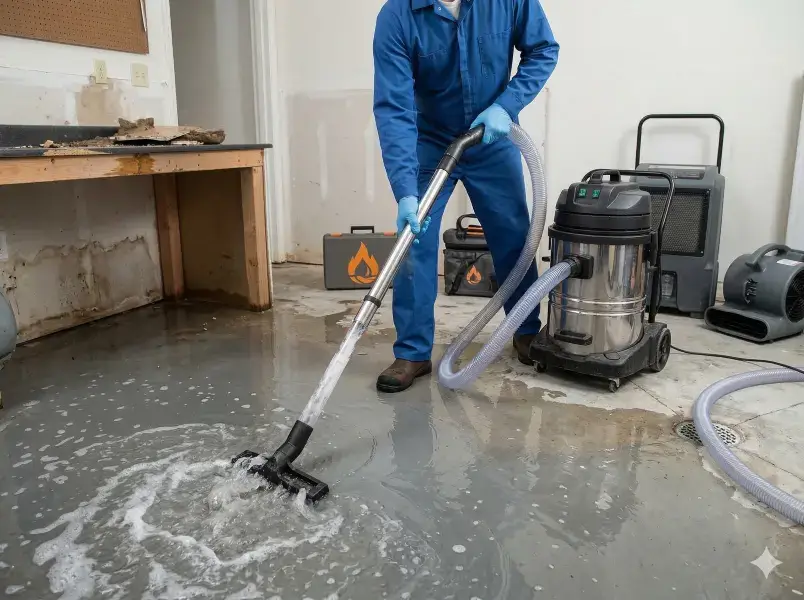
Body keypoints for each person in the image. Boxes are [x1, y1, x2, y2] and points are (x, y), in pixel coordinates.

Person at [373, 0, 559, 393]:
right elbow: (394, 108)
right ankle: (412, 352)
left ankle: (525, 329)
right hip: (431, 143)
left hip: (492, 136)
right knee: (414, 240)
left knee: (513, 235)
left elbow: (543, 50)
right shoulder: (398, 16)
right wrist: (405, 191)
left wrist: (506, 106)